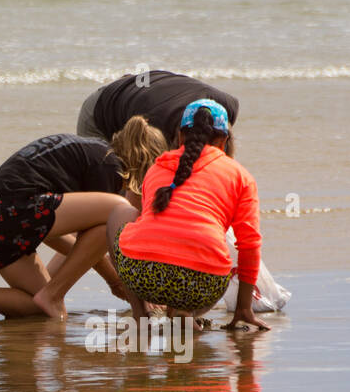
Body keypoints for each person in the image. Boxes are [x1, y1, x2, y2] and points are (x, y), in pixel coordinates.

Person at [0, 118, 167, 322]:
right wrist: (115, 281)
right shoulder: (108, 166)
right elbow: (104, 232)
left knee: (39, 307)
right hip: (12, 208)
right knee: (119, 211)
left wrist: (105, 273)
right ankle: (53, 294)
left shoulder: (91, 153)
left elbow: (51, 230)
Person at [106, 100, 268, 332]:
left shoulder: (157, 167)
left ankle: (141, 314)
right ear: (223, 141)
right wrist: (244, 308)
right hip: (202, 287)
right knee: (201, 240)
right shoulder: (240, 176)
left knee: (120, 211)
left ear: (180, 136)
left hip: (142, 277)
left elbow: (155, 227)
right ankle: (184, 313)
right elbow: (249, 244)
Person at [76, 70, 240, 146]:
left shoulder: (227, 108)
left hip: (151, 89)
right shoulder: (156, 127)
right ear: (179, 138)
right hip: (101, 108)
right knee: (117, 192)